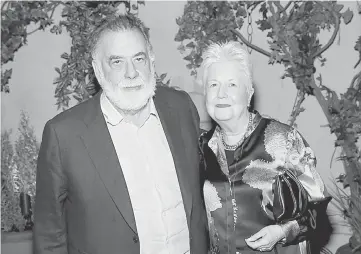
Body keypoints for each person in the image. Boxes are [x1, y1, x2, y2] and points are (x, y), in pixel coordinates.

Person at [33, 14, 208, 254]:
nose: (131, 73)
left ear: (152, 59)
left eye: (139, 58)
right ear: (97, 69)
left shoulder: (181, 108)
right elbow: (49, 237)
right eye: (117, 62)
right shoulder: (64, 135)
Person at [198, 41, 330, 254]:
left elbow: (319, 207)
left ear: (249, 93)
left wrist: (283, 231)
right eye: (213, 85)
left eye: (232, 84)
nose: (221, 94)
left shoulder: (282, 139)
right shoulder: (203, 148)